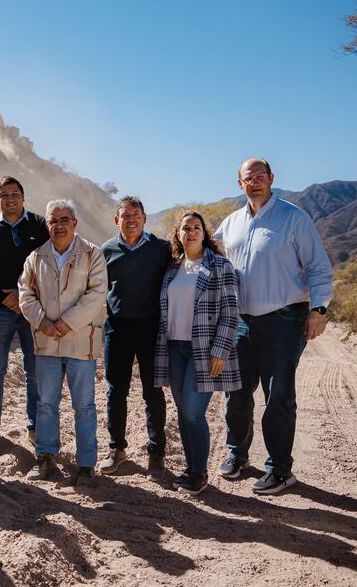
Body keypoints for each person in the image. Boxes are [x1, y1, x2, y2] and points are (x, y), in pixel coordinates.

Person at [214, 157, 333, 494]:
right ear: (239, 184)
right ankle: (237, 456)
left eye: (260, 176)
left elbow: (319, 267)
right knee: (236, 395)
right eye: (248, 178)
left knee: (278, 396)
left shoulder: (294, 218)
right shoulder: (231, 223)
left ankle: (280, 470)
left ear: (271, 178)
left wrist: (319, 309)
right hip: (240, 323)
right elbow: (209, 258)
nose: (255, 182)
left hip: (283, 321)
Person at [18, 199, 107, 487]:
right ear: (47, 225)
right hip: (47, 342)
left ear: (75, 223)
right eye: (53, 221)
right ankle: (45, 456)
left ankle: (86, 465)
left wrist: (66, 323)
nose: (59, 226)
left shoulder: (92, 254)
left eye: (64, 220)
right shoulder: (36, 257)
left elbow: (96, 295)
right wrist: (42, 322)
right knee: (46, 404)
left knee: (84, 407)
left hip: (81, 343)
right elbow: (25, 294)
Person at [154, 211, 242, 496]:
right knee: (183, 412)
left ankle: (200, 473)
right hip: (174, 348)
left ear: (204, 234)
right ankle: (191, 469)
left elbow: (231, 311)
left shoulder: (219, 266)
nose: (191, 232)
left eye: (196, 228)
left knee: (193, 413)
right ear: (177, 234)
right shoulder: (172, 268)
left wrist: (221, 351)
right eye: (185, 228)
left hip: (203, 350)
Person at [0, 175, 49, 451]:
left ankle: (35, 428)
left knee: (34, 371)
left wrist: (23, 296)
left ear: (23, 197)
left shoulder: (40, 225)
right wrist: (6, 298)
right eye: (4, 194)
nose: (10, 199)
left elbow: (48, 263)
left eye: (15, 193)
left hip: (34, 309)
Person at [97, 196, 171, 478]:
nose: (131, 220)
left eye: (136, 215)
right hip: (117, 329)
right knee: (116, 391)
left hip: (152, 329)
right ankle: (117, 448)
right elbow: (98, 288)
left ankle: (156, 452)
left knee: (153, 392)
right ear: (116, 220)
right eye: (125, 216)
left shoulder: (161, 249)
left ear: (144, 218)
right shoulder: (106, 250)